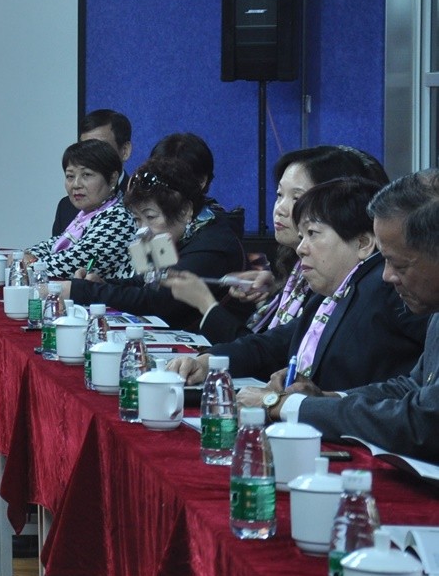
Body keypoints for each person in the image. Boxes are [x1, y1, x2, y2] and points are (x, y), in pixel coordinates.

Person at [166, 177, 425, 391]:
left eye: (313, 234)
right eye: (301, 237)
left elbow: (414, 391)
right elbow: (272, 344)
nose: (301, 249)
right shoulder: (330, 294)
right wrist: (208, 361)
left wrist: (314, 402)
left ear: (363, 243)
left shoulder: (389, 287)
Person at [262, 170, 439, 459]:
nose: (387, 276)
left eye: (399, 265)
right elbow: (412, 387)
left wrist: (293, 407)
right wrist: (324, 399)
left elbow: (424, 422)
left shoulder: (385, 295)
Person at [161, 145, 390, 343]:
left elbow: (269, 355)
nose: (280, 209)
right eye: (280, 194)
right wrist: (275, 288)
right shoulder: (296, 272)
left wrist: (205, 303)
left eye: (297, 198)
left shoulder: (343, 286)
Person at [65, 156, 245, 331]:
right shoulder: (171, 235)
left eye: (150, 217)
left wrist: (84, 291)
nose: (143, 229)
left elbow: (157, 302)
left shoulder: (213, 245)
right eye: (137, 219)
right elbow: (146, 280)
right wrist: (103, 283)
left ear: (185, 211)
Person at [24, 140, 137, 280]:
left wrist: (26, 264)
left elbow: (70, 264)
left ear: (113, 179)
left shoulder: (119, 218)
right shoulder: (86, 215)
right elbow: (51, 245)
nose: (76, 184)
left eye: (86, 175)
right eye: (70, 176)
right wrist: (26, 256)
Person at [51, 110, 132, 237]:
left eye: (100, 148)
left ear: (125, 151)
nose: (89, 155)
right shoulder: (66, 207)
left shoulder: (139, 202)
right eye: (85, 147)